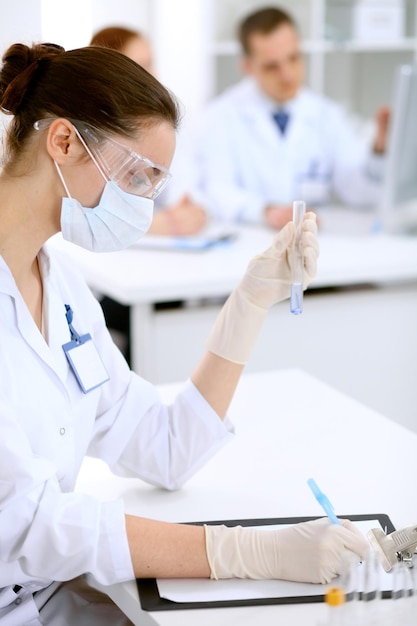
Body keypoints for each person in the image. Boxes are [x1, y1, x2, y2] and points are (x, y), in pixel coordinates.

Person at [0, 40, 367, 625]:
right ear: (64, 142)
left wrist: (250, 300)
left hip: (43, 595)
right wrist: (243, 552)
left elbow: (165, 446)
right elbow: (27, 525)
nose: (145, 202)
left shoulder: (62, 286)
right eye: (136, 175)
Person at [193, 6, 390, 229]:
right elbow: (217, 190)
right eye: (272, 66)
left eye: (293, 58)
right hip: (250, 241)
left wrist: (379, 151)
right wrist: (266, 211)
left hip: (312, 243)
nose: (287, 75)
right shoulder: (220, 116)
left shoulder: (326, 115)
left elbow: (359, 192)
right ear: (247, 67)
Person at [90, 25, 208, 237]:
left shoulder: (166, 121)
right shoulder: (88, 130)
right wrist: (151, 225)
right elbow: (86, 210)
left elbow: (182, 180)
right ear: (107, 73)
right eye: (140, 67)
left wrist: (187, 208)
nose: (153, 75)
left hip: (161, 245)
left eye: (151, 63)